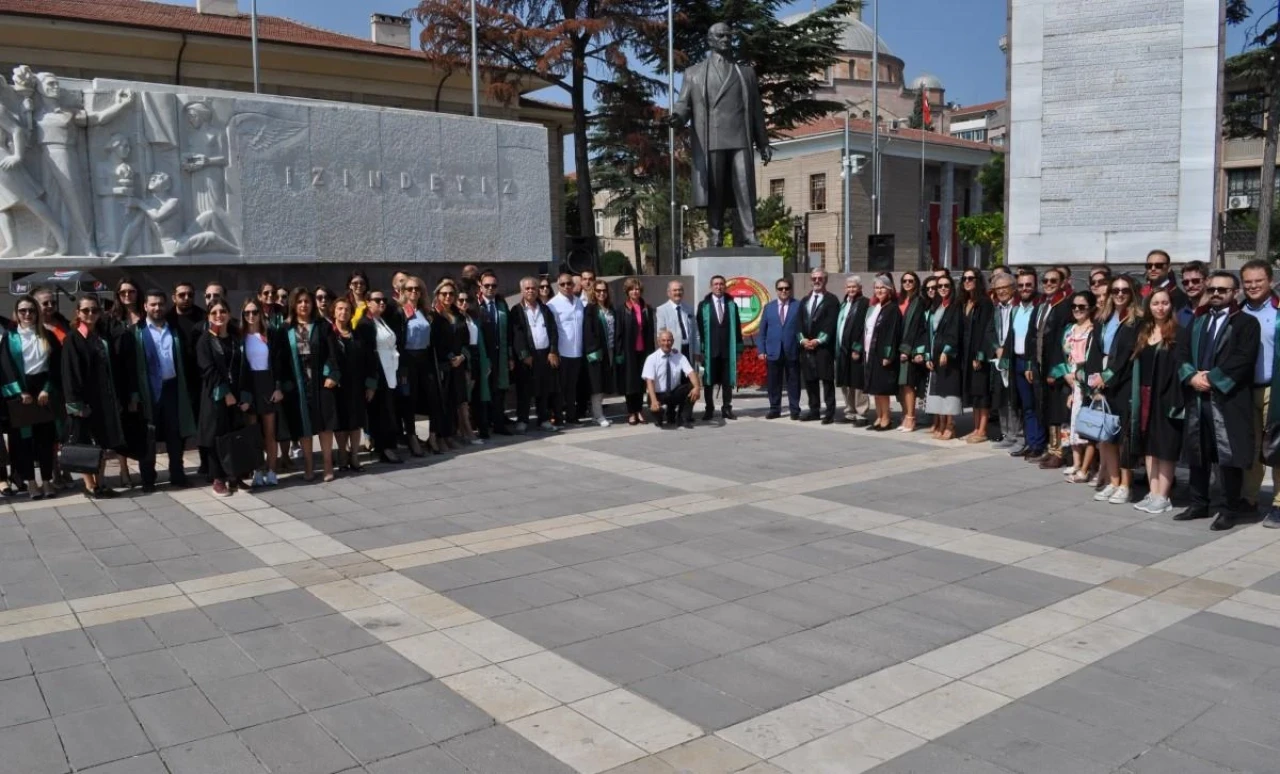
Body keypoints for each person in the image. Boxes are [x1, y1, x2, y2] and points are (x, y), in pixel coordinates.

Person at [1176, 270, 1259, 531]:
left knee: (1227, 456)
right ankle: (1199, 503)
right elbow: (1181, 352)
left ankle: (1228, 509)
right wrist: (1190, 377)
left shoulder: (1246, 323)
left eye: (1222, 290)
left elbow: (1243, 359)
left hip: (1228, 398)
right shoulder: (1198, 322)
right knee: (1198, 452)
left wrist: (1212, 379)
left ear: (1235, 293)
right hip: (1198, 398)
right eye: (1212, 289)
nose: (1216, 294)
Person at [132, 290, 196, 492]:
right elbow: (130, 367)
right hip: (148, 391)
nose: (157, 308)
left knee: (175, 436)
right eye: (153, 304)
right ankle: (148, 479)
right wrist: (134, 395)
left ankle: (177, 475)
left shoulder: (174, 330)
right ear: (145, 307)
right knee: (148, 437)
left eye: (160, 304)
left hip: (172, 389)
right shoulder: (137, 332)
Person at [62, 295, 125, 498]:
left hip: (103, 399)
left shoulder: (100, 336)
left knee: (102, 442)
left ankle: (101, 482)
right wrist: (75, 404)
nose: (90, 314)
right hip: (84, 401)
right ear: (78, 313)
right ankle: (90, 485)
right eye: (86, 310)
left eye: (95, 310)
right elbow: (69, 373)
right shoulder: (73, 338)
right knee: (86, 444)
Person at [276, 287, 339, 482]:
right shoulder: (285, 329)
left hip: (321, 382)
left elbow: (332, 353)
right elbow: (280, 360)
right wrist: (283, 383)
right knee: (303, 425)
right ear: (294, 305)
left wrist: (332, 374)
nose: (304, 305)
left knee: (325, 423)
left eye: (307, 301)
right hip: (298, 384)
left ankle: (328, 464)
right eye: (300, 301)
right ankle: (309, 465)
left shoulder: (322, 326)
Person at [1087, 274, 1141, 504]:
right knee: (1105, 436)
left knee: (1123, 437)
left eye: (1125, 290)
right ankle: (1113, 480)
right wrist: (1093, 380)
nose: (1120, 294)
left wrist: (1107, 377)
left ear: (1132, 293)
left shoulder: (1136, 320)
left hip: (1124, 382)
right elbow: (1094, 352)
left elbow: (1129, 353)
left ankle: (1126, 485)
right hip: (1101, 380)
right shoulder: (1102, 318)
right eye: (1115, 290)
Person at [1, 296, 61, 499]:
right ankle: (31, 482)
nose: (27, 314)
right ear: (17, 313)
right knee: (23, 441)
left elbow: (55, 366)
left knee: (45, 439)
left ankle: (46, 481)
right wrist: (20, 392)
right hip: (22, 394)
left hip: (44, 391)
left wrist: (47, 389)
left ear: (37, 312)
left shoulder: (48, 336)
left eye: (31, 310)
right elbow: (6, 368)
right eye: (23, 311)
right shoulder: (10, 338)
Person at [1131, 288, 1184, 514]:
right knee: (1150, 446)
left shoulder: (1177, 333)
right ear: (1148, 307)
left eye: (1164, 303)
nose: (1160, 307)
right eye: (1155, 303)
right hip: (1144, 394)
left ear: (1170, 306)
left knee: (1165, 446)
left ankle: (1164, 495)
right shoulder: (1145, 331)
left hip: (1167, 396)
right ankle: (1152, 492)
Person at [1240, 259, 1280, 523]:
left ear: (1271, 281)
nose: (1253, 286)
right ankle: (1249, 498)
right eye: (1248, 282)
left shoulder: (1277, 312)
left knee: (1277, 447)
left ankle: (1278, 502)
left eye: (1259, 281)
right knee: (1250, 446)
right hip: (1244, 390)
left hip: (1273, 388)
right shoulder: (1237, 311)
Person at [196, 299, 247, 496]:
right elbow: (207, 369)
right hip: (214, 395)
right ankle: (217, 477)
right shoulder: (205, 341)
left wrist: (241, 393)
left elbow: (242, 366)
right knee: (215, 436)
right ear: (209, 316)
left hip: (235, 394)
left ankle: (234, 474)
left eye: (223, 311)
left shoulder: (235, 338)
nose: (219, 315)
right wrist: (225, 392)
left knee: (233, 434)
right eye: (214, 312)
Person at [1029, 268, 1072, 468]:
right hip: (1039, 364)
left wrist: (1055, 370)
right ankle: (1050, 446)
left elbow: (1062, 342)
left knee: (1057, 411)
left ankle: (1059, 451)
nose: (1048, 283)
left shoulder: (1065, 306)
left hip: (1055, 368)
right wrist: (1031, 363)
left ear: (1062, 282)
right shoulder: (1040, 305)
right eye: (1045, 280)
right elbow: (1033, 335)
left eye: (1053, 280)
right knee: (1044, 407)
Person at [238, 297, 283, 486]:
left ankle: (272, 471)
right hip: (249, 385)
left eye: (254, 312)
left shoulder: (270, 334)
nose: (251, 316)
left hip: (267, 383)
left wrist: (278, 387)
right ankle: (257, 470)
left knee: (270, 433)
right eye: (247, 313)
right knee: (253, 433)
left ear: (260, 313)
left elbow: (279, 362)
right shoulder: (239, 336)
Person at [1055, 291, 1097, 485]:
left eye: (1082, 307)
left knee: (1086, 424)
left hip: (1086, 383)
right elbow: (1062, 356)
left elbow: (1092, 360)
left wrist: (1079, 377)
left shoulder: (1094, 330)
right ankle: (1076, 462)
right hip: (1070, 380)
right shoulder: (1069, 330)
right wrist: (1066, 375)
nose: (1077, 310)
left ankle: (1087, 468)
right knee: (1071, 422)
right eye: (1074, 307)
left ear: (1091, 308)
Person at [358, 289, 404, 464]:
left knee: (389, 410)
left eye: (383, 300)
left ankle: (389, 444)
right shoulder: (365, 324)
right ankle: (384, 448)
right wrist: (371, 382)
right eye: (377, 300)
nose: (382, 303)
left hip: (390, 370)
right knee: (381, 413)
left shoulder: (381, 320)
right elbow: (367, 354)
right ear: (368, 302)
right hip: (378, 373)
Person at [108, 277, 146, 489]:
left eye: (131, 291)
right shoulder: (112, 320)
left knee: (143, 426)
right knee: (124, 426)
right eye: (123, 293)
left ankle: (145, 468)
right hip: (122, 381)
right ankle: (124, 470)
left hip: (147, 378)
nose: (127, 296)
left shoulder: (146, 315)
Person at [330, 297, 375, 471]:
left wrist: (371, 385)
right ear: (334, 311)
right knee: (341, 422)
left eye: (347, 309)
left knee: (356, 422)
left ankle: (354, 455)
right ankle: (342, 454)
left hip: (357, 385)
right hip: (338, 386)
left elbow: (369, 360)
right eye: (340, 309)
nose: (343, 312)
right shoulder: (330, 335)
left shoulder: (358, 335)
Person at [511, 276, 561, 431]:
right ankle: (523, 420)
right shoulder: (517, 310)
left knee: (544, 389)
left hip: (544, 354)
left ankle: (544, 419)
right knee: (525, 389)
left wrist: (553, 351)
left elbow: (553, 331)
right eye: (527, 288)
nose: (531, 291)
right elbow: (516, 334)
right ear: (521, 291)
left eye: (533, 288)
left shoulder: (545, 309)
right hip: (527, 356)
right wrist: (524, 354)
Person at [398, 277, 438, 455]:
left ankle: (433, 436)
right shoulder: (399, 312)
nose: (413, 292)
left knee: (433, 397)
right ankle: (412, 436)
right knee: (409, 399)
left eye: (417, 289)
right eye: (409, 289)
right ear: (403, 291)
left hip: (425, 357)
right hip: (408, 358)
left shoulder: (425, 311)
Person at [859, 274, 902, 431]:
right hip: (871, 352)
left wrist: (888, 355)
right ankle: (878, 417)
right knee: (875, 389)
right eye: (877, 288)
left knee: (882, 389)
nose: (879, 291)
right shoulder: (876, 308)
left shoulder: (892, 309)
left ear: (889, 290)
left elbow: (892, 334)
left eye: (882, 288)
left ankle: (886, 419)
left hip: (883, 354)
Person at [697, 275, 742, 421]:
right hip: (710, 350)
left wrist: (739, 348)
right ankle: (709, 409)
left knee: (727, 381)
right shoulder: (704, 305)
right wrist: (701, 349)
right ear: (711, 287)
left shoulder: (731, 305)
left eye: (721, 284)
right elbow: (699, 330)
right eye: (716, 284)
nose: (719, 286)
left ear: (725, 286)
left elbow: (737, 328)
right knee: (708, 382)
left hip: (727, 350)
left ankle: (727, 408)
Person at [432, 280, 470, 448]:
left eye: (451, 294)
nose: (448, 297)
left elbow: (467, 340)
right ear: (438, 296)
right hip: (443, 365)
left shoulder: (460, 315)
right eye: (444, 294)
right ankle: (441, 436)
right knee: (443, 402)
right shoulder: (434, 316)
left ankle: (451, 435)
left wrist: (462, 356)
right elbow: (435, 342)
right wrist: (449, 358)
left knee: (456, 399)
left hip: (459, 364)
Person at [798, 269, 839, 424]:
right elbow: (799, 323)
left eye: (820, 278)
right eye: (814, 278)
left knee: (827, 380)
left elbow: (831, 323)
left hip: (823, 348)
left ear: (825, 280)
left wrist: (818, 340)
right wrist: (803, 340)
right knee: (810, 380)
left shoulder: (832, 300)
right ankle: (814, 410)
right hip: (806, 347)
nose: (816, 281)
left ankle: (829, 412)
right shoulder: (805, 300)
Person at [758, 276, 801, 420]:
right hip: (773, 351)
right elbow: (762, 331)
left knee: (793, 381)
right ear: (776, 290)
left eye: (786, 288)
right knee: (773, 383)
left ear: (790, 290)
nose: (784, 291)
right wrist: (761, 350)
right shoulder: (769, 307)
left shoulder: (798, 306)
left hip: (792, 350)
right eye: (781, 288)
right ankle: (774, 409)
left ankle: (795, 409)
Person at [960, 269, 994, 443]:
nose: (967, 281)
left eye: (971, 278)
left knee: (981, 393)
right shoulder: (965, 302)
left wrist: (979, 356)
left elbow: (984, 331)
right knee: (974, 393)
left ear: (978, 280)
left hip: (978, 355)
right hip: (966, 353)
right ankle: (975, 428)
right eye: (964, 278)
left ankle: (982, 430)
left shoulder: (985, 303)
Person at [925, 274, 962, 439]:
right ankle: (940, 423)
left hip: (947, 355)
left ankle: (950, 425)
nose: (942, 288)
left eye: (946, 285)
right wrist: (928, 355)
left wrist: (947, 351)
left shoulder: (955, 306)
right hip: (934, 352)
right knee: (937, 391)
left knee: (948, 391)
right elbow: (929, 333)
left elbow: (955, 330)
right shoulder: (937, 306)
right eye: (940, 286)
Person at [643, 329, 703, 427]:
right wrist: (653, 401)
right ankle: (661, 415)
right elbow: (649, 381)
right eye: (663, 340)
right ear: (658, 341)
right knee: (657, 417)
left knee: (692, 387)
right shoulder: (652, 358)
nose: (666, 343)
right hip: (658, 394)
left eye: (669, 340)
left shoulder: (679, 356)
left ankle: (683, 417)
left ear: (673, 342)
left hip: (674, 392)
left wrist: (697, 387)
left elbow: (691, 373)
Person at [547, 272, 585, 427]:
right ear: (558, 285)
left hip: (577, 352)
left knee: (572, 387)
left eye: (569, 283)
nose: (567, 287)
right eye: (563, 284)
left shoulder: (579, 302)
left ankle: (571, 416)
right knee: (559, 388)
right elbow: (551, 331)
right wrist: (553, 352)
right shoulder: (552, 304)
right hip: (562, 352)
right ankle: (558, 417)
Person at [478, 270, 512, 436]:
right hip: (484, 355)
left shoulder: (501, 304)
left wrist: (510, 355)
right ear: (481, 286)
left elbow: (509, 331)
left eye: (493, 285)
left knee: (499, 391)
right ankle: (484, 427)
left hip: (501, 354)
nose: (490, 288)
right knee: (484, 392)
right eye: (487, 285)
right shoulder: (476, 305)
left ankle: (499, 424)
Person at [616, 277, 655, 425]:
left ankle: (639, 411)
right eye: (632, 289)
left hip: (644, 351)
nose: (635, 291)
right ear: (627, 291)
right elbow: (618, 332)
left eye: (637, 289)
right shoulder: (622, 309)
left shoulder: (647, 308)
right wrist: (619, 352)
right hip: (628, 351)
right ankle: (631, 412)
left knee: (641, 382)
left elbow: (650, 331)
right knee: (630, 383)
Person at [989, 273, 1021, 449]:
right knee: (1001, 398)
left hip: (1014, 357)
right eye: (998, 288)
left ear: (1013, 288)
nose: (1001, 291)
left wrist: (1006, 349)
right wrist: (996, 347)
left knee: (1013, 400)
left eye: (1004, 287)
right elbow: (990, 331)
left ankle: (1017, 435)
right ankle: (1007, 434)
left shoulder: (1018, 307)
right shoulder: (996, 308)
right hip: (999, 358)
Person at [834, 276, 869, 425]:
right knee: (845, 382)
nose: (851, 290)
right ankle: (850, 411)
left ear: (860, 288)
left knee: (857, 382)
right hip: (842, 349)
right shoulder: (844, 304)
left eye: (854, 287)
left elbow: (865, 328)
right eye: (849, 287)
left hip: (855, 350)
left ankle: (861, 413)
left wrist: (858, 348)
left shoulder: (864, 303)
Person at [583, 280, 618, 427]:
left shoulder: (611, 309)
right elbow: (588, 331)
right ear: (593, 292)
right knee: (596, 384)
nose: (601, 293)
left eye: (604, 290)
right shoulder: (590, 309)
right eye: (598, 291)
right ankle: (598, 415)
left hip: (610, 350)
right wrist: (593, 350)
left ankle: (596, 414)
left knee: (603, 382)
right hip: (596, 352)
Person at [897, 272, 928, 433]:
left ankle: (911, 417)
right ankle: (904, 415)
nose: (907, 283)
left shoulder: (919, 302)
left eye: (911, 280)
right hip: (896, 348)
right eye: (904, 281)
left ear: (916, 283)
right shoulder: (899, 300)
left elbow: (918, 327)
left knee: (908, 384)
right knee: (900, 386)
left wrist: (908, 350)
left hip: (909, 349)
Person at [457, 289, 487, 444]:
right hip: (464, 358)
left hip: (475, 357)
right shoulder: (456, 319)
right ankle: (467, 431)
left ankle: (464, 430)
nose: (463, 303)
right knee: (463, 399)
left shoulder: (470, 317)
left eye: (466, 300)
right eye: (460, 300)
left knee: (470, 396)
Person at [656, 281, 700, 362]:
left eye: (680, 290)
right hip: (673, 350)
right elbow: (661, 333)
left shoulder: (689, 308)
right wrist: (666, 350)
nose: (678, 292)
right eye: (675, 290)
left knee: (689, 374)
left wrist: (697, 351)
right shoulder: (662, 310)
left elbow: (695, 332)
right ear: (668, 293)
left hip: (689, 350)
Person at [1177, 261, 1209, 327]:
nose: (1190, 285)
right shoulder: (1180, 314)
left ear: (1207, 281)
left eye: (1195, 281)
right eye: (1186, 282)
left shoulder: (1214, 311)